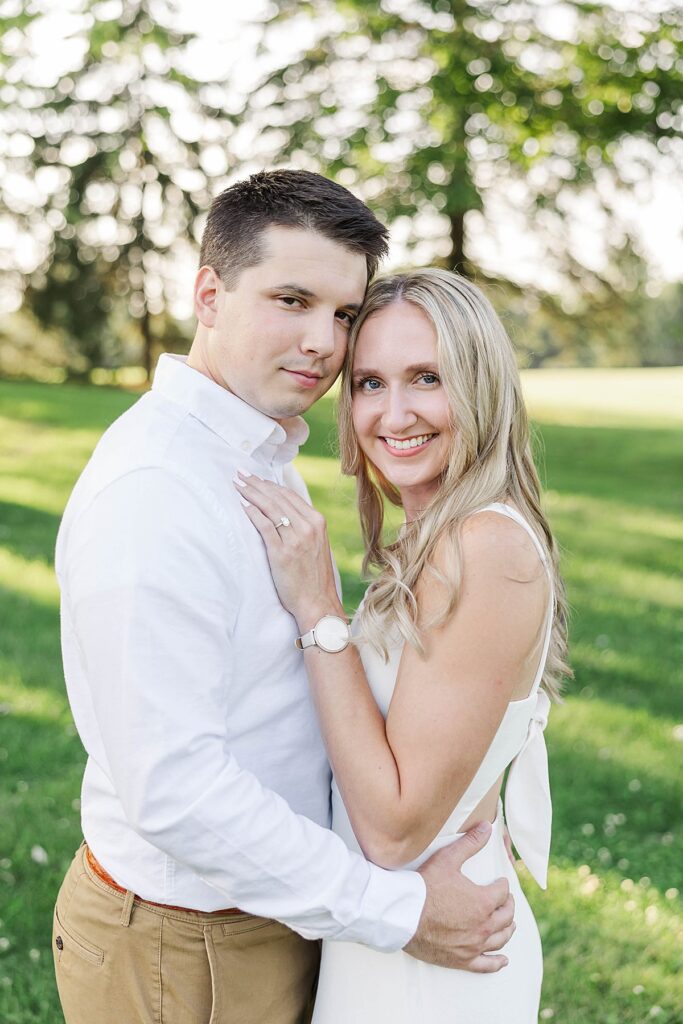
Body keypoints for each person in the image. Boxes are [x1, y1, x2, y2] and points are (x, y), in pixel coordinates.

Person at [52, 173, 516, 1024]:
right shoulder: (156, 491)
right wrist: (399, 911)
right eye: (291, 299)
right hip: (185, 944)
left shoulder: (253, 449)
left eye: (342, 315)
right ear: (209, 294)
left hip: (278, 913)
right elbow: (175, 792)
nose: (321, 344)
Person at [237, 267, 571, 1023]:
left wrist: (319, 611)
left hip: (432, 965)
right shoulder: (436, 539)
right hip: (395, 927)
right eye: (369, 383)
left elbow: (389, 831)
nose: (394, 413)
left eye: (427, 378)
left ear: (480, 387)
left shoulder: (482, 547)